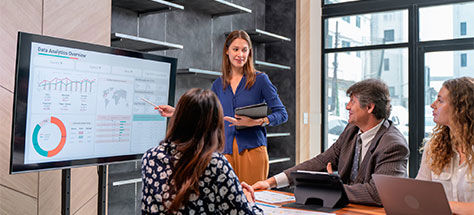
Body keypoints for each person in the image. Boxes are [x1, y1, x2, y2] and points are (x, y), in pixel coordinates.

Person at [158, 30, 288, 185]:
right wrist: (177, 112)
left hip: (253, 152)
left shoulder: (260, 80)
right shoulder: (219, 84)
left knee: (252, 202)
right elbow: (205, 113)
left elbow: (282, 114)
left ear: (250, 52)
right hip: (224, 152)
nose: (240, 54)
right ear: (227, 51)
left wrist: (256, 122)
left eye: (244, 50)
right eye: (236, 49)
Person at [252, 79, 409, 206]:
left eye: (352, 101)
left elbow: (379, 193)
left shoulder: (393, 145)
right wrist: (271, 182)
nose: (347, 106)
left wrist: (330, 187)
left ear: (369, 107)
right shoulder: (351, 130)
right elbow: (321, 161)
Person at [141, 88, 263, 214]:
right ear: (215, 124)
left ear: (177, 119)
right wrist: (248, 200)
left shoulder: (150, 157)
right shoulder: (215, 163)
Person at [416, 77, 474, 215]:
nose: (432, 105)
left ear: (460, 108)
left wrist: (448, 206)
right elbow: (420, 192)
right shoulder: (433, 147)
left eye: (440, 101)